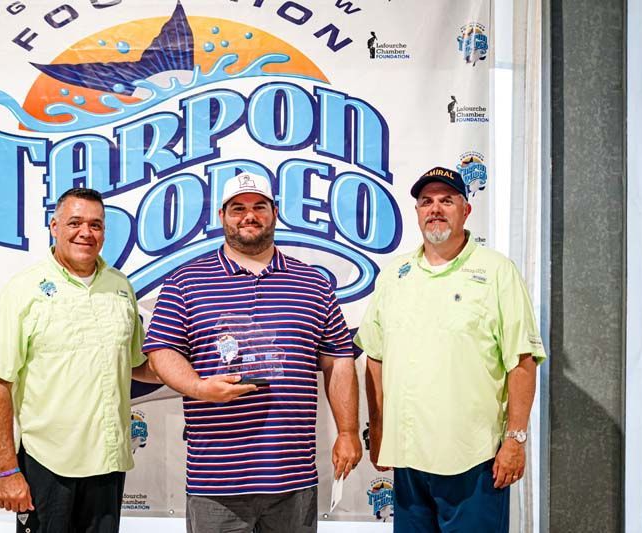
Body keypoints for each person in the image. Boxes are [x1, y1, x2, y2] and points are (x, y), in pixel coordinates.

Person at [143, 172, 362, 533]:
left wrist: (349, 431)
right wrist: (199, 388)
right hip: (215, 483)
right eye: (238, 208)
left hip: (293, 479)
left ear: (274, 212)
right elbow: (161, 351)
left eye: (259, 206)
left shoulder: (313, 284)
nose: (249, 215)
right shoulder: (185, 282)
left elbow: (338, 358)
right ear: (222, 216)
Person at [356, 167, 547, 532]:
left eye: (447, 200)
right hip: (408, 459)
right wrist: (377, 431)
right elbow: (375, 358)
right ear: (417, 212)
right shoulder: (394, 276)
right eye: (426, 201)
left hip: (473, 459)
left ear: (466, 210)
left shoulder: (497, 272)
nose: (435, 209)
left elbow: (522, 360)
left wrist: (515, 440)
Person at [0, 187, 159, 533]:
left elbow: (136, 363)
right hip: (47, 463)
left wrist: (198, 369)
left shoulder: (120, 287)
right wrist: (7, 470)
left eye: (95, 225)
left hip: (107, 463)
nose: (85, 233)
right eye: (75, 222)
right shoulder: (23, 290)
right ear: (54, 226)